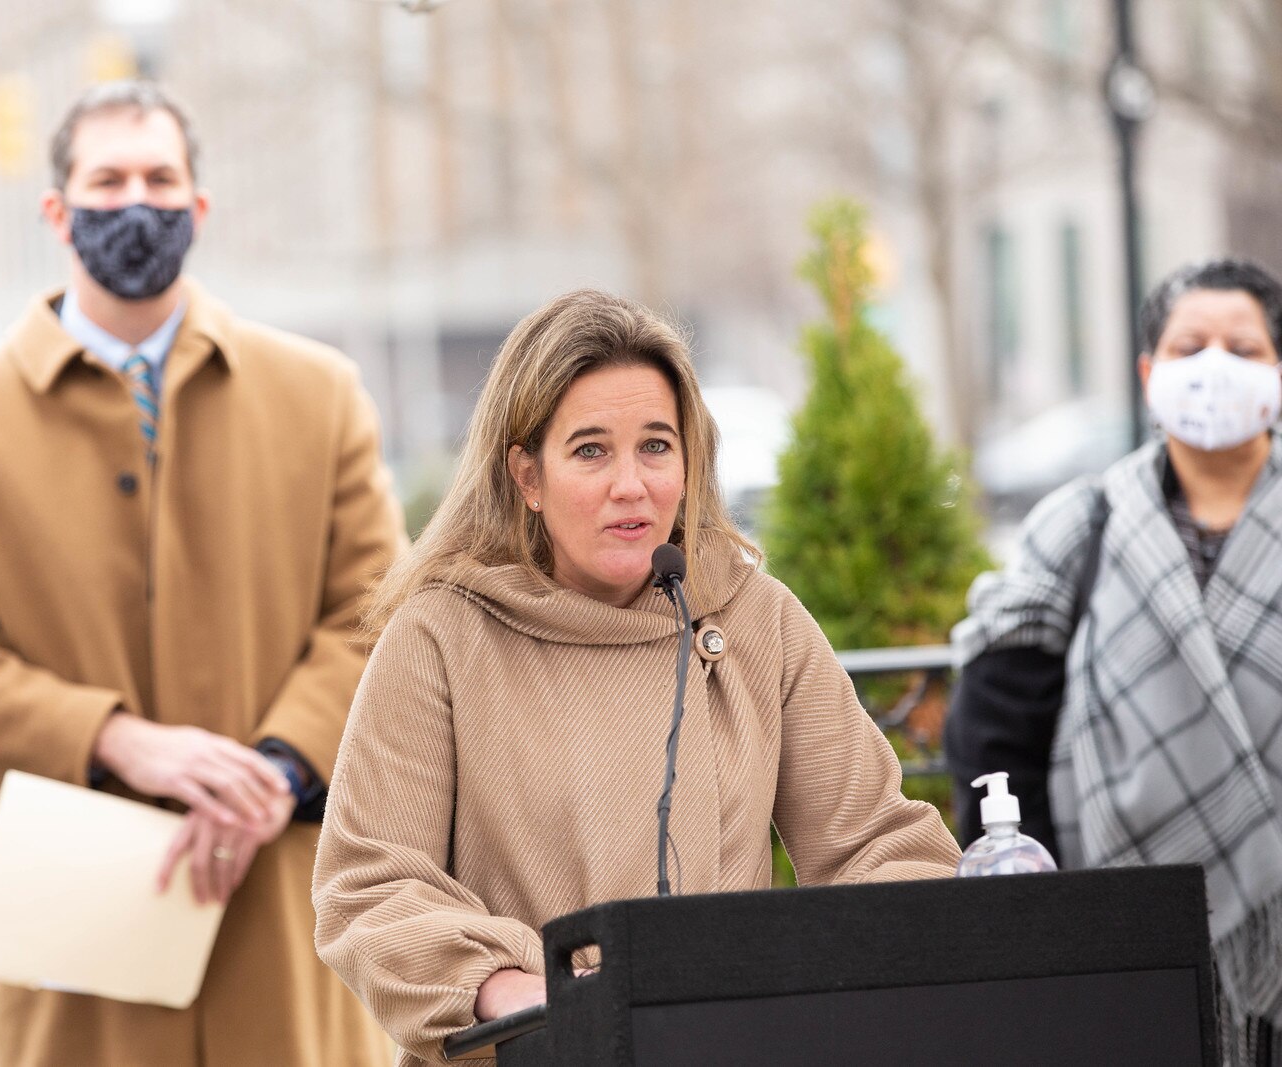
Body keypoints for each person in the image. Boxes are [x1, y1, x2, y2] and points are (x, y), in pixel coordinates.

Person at [0, 80, 404, 1067]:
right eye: (106, 179)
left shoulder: (319, 394)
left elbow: (376, 614)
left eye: (160, 177)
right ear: (56, 209)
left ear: (198, 207)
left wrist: (271, 777)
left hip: (281, 892)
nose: (135, 201)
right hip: (74, 918)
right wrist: (121, 740)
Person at [311, 289, 961, 1066]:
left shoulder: (756, 617)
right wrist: (510, 986)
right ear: (527, 475)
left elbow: (877, 844)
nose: (632, 484)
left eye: (656, 446)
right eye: (590, 450)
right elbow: (370, 884)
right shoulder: (441, 636)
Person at [950, 258, 1282, 1064]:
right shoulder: (1079, 526)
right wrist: (1041, 919)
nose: (1213, 368)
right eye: (1189, 346)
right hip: (1123, 937)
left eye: (1242, 348)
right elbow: (997, 725)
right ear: (1147, 371)